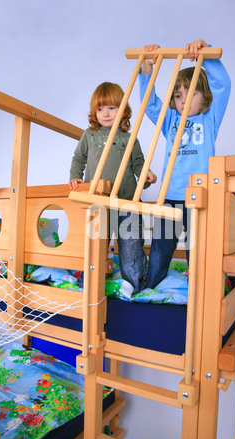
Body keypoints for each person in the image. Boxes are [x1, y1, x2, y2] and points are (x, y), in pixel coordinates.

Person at [139, 39, 231, 288]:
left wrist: (207, 54)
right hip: (170, 195)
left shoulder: (209, 118)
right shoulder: (169, 119)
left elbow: (223, 84)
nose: (183, 99)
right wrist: (147, 69)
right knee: (160, 246)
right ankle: (152, 287)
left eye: (191, 93)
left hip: (200, 195)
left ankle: (199, 290)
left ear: (206, 97)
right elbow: (149, 102)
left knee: (197, 248)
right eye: (178, 95)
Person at [69, 81, 157, 294]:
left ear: (123, 110)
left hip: (127, 201)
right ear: (94, 112)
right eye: (100, 109)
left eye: (111, 108)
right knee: (95, 246)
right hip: (97, 202)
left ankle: (134, 287)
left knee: (131, 247)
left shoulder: (129, 138)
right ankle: (89, 285)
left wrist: (146, 175)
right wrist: (75, 177)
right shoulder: (89, 135)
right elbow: (78, 158)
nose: (105, 113)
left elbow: (138, 163)